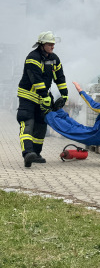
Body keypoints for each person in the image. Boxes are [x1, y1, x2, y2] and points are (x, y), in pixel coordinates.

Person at [17, 31, 68, 168]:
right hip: (28, 97)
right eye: (50, 44)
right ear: (42, 44)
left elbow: (59, 77)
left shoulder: (54, 58)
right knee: (27, 123)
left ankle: (36, 154)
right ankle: (28, 153)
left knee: (41, 126)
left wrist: (64, 95)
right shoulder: (32, 58)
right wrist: (45, 96)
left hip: (42, 97)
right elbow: (36, 79)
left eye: (53, 44)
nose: (52, 47)